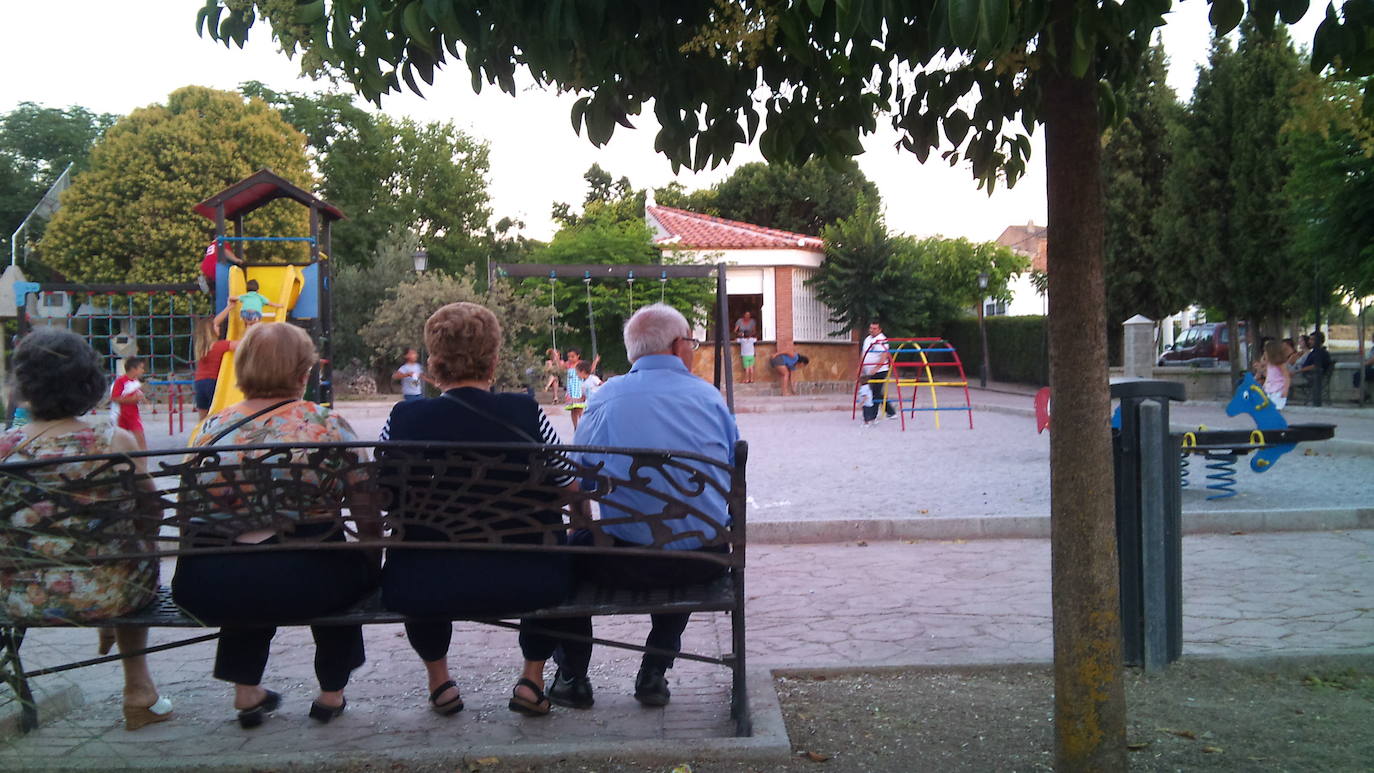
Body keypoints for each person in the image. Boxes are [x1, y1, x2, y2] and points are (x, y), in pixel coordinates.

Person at [171, 323, 378, 728]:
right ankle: (330, 692)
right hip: (312, 583)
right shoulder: (327, 425)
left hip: (213, 584)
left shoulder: (211, 430)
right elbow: (366, 507)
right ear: (304, 373)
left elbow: (186, 513)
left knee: (250, 567)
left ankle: (247, 691)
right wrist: (371, 564)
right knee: (334, 558)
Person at [378, 302, 575, 717]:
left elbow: (382, 492)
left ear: (433, 362)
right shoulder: (524, 412)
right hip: (529, 576)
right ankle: (532, 678)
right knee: (552, 539)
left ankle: (440, 682)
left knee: (413, 546)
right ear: (494, 359)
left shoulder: (404, 418)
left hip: (425, 580)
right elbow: (567, 481)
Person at [549, 303, 740, 711]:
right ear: (676, 346)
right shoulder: (709, 397)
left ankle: (572, 676)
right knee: (686, 529)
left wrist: (584, 529)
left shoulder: (604, 398)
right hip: (703, 560)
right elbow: (728, 467)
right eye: (692, 341)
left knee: (562, 558)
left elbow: (577, 480)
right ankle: (654, 671)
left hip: (624, 561)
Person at [1, 329, 172, 730]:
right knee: (132, 552)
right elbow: (151, 510)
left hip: (19, 596)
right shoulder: (115, 440)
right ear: (88, 382)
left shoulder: (5, 449)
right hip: (113, 591)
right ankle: (138, 691)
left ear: (24, 385)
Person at [192, 318, 237, 420]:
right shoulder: (220, 345)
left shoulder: (201, 348)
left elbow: (214, 322)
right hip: (212, 382)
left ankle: (201, 434)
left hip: (199, 383)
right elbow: (243, 343)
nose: (219, 327)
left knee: (203, 418)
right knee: (217, 415)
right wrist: (250, 327)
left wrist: (229, 308)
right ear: (211, 331)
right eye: (216, 326)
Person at [859, 321, 897, 423]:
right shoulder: (867, 339)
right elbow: (864, 352)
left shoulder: (882, 339)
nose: (872, 330)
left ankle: (873, 416)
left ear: (879, 330)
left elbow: (884, 355)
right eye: (871, 328)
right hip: (868, 369)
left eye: (874, 328)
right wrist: (861, 365)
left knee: (875, 392)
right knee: (874, 392)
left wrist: (876, 368)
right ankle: (891, 411)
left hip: (880, 370)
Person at [110, 356, 147, 451]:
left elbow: (138, 396)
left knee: (140, 438)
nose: (143, 371)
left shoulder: (135, 382)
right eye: (141, 368)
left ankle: (143, 462)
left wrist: (141, 399)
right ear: (133, 369)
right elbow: (114, 397)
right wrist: (131, 399)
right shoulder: (121, 381)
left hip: (132, 414)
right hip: (121, 415)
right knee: (122, 441)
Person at [557, 347, 600, 427]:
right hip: (571, 391)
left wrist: (595, 362)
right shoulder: (568, 364)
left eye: (572, 356)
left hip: (579, 390)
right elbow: (560, 368)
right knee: (573, 411)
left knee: (580, 410)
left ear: (578, 356)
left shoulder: (580, 364)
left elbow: (590, 370)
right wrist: (557, 358)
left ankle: (584, 426)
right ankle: (576, 427)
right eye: (569, 356)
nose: (570, 358)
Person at [1296, 331, 1333, 406]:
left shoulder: (1320, 353)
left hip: (1310, 377)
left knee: (1283, 378)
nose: (1309, 342)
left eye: (1312, 339)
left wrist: (1297, 372)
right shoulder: (1315, 352)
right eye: (1309, 339)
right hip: (1308, 376)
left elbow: (1315, 366)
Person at [1262, 339, 1289, 410]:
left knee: (1275, 408)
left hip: (1278, 389)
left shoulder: (1280, 364)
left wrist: (1285, 390)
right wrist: (1265, 384)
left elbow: (1287, 377)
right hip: (1270, 388)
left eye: (1266, 351)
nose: (1264, 353)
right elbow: (1268, 376)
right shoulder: (1269, 364)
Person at [733, 311, 758, 384]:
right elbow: (735, 331)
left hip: (745, 356)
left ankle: (746, 380)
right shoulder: (752, 340)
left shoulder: (742, 341)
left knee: (746, 368)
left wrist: (741, 337)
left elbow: (736, 340)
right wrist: (738, 334)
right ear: (743, 315)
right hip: (752, 355)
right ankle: (752, 379)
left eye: (749, 315)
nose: (747, 316)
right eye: (746, 315)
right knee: (751, 368)